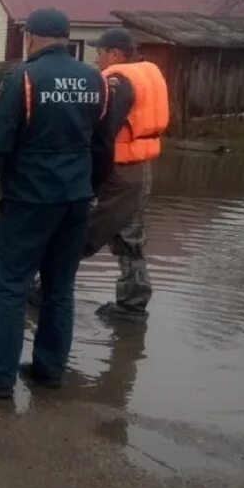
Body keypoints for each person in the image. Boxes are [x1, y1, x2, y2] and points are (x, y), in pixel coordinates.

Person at [0, 9, 114, 398]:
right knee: (60, 287)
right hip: (75, 199)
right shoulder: (96, 79)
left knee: (9, 286)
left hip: (29, 198)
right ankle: (49, 369)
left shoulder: (23, 78)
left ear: (30, 37)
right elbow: (105, 143)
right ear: (65, 37)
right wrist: (90, 187)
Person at [86, 27, 169, 321]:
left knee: (78, 231)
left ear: (116, 53)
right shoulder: (150, 72)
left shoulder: (119, 79)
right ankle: (132, 304)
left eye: (100, 52)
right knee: (130, 238)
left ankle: (46, 290)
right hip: (140, 168)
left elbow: (105, 130)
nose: (97, 59)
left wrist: (92, 177)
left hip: (117, 171)